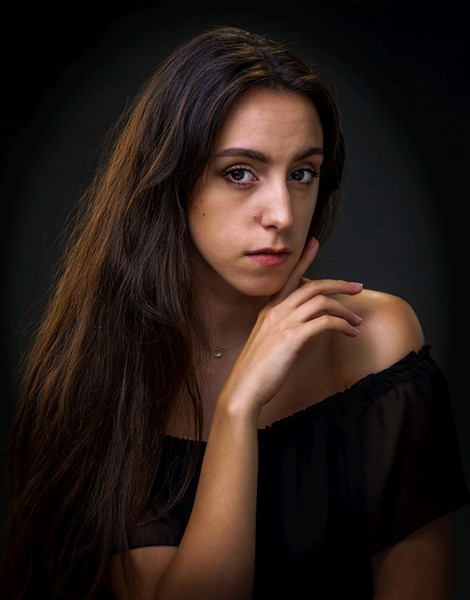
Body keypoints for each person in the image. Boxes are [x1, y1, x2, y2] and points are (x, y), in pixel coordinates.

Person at [0, 24, 468, 600]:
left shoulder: (373, 340)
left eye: (302, 173)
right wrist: (239, 408)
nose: (282, 214)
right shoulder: (102, 380)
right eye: (240, 173)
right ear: (172, 181)